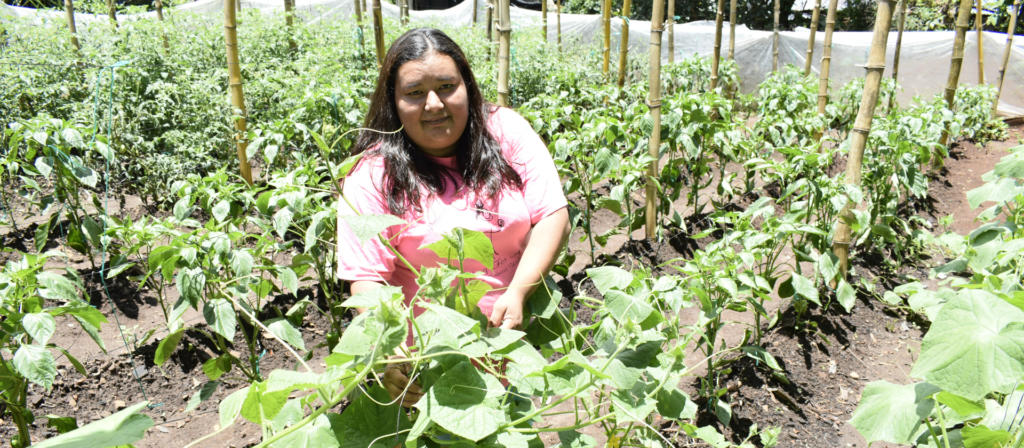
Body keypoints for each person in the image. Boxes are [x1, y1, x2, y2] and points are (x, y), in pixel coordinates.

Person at [335, 28, 570, 405]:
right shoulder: (372, 173)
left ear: (468, 87)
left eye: (446, 86)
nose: (433, 104)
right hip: (425, 362)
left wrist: (519, 292)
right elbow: (365, 277)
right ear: (393, 102)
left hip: (509, 339)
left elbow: (552, 214)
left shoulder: (505, 130)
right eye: (414, 92)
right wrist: (387, 349)